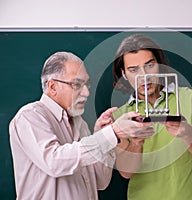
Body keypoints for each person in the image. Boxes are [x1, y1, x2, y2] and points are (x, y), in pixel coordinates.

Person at [9, 51, 154, 200]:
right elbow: (54, 162)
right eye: (77, 84)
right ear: (52, 87)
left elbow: (101, 181)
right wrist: (112, 133)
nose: (86, 93)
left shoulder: (80, 124)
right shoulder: (30, 116)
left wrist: (101, 134)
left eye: (87, 85)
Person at [111, 34, 192, 200]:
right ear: (124, 74)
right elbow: (126, 172)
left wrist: (187, 132)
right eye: (133, 70)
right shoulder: (120, 116)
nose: (144, 75)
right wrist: (136, 143)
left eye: (150, 65)